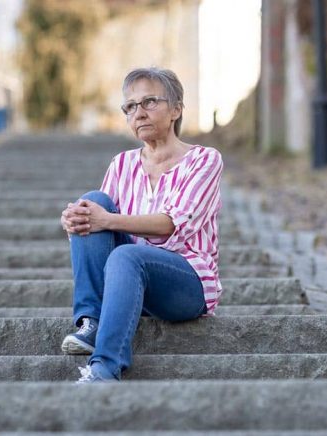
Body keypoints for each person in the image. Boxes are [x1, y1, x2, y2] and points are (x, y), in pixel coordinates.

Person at [59, 67, 223, 384]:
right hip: (128, 280)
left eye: (149, 102)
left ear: (176, 109)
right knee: (92, 200)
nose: (139, 113)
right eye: (131, 106)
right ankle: (91, 322)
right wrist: (77, 219)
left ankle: (104, 369)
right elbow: (99, 227)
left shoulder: (204, 160)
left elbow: (170, 225)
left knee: (125, 254)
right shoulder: (121, 164)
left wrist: (104, 219)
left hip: (186, 285)